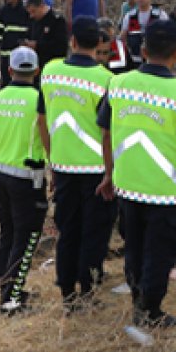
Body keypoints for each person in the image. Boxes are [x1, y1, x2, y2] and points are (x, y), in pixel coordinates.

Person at [97, 20, 176, 328]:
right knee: (160, 251)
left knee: (133, 246)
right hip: (164, 191)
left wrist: (108, 175)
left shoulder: (118, 84)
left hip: (127, 186)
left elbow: (106, 134)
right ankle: (150, 310)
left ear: (143, 50)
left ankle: (139, 300)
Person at [38, 18, 116, 313]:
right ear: (98, 44)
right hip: (96, 170)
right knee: (94, 232)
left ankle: (67, 290)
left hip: (63, 167)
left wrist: (52, 161)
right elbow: (108, 133)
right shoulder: (106, 80)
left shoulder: (50, 71)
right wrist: (111, 172)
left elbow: (42, 121)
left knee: (67, 230)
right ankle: (88, 288)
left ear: (72, 41)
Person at [0, 47, 47, 314]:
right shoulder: (40, 101)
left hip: (2, 176)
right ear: (37, 71)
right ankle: (12, 299)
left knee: (8, 233)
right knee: (27, 238)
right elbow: (47, 138)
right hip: (30, 178)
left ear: (9, 70)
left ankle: (6, 287)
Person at [0, 0, 34, 86]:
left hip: (22, 55)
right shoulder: (2, 12)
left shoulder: (25, 12)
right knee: (6, 81)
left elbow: (32, 30)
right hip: (6, 55)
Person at [122, 0, 169, 65]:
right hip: (135, 60)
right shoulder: (129, 16)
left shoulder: (161, 15)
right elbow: (123, 36)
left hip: (155, 59)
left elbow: (168, 36)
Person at [27, 0, 68, 67]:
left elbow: (61, 47)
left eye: (33, 11)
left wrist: (38, 45)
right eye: (30, 13)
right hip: (36, 66)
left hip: (53, 66)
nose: (31, 15)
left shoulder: (57, 21)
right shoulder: (33, 21)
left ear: (41, 6)